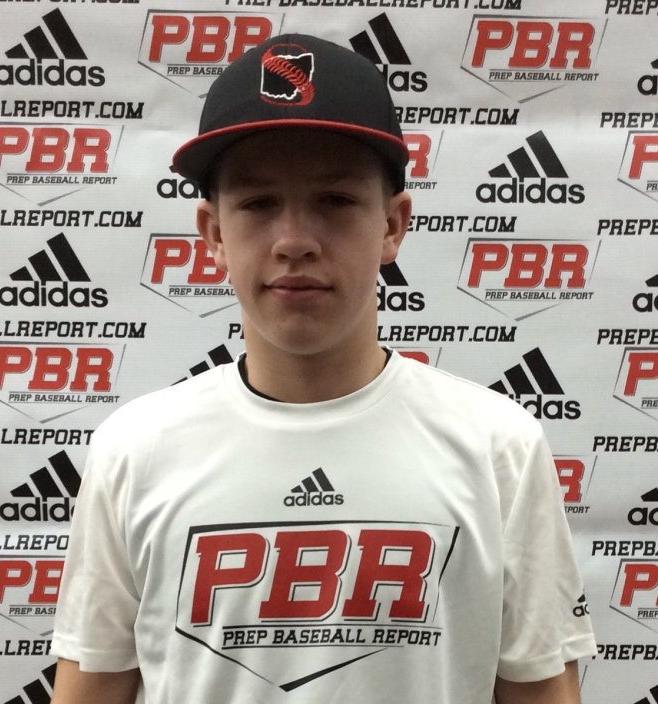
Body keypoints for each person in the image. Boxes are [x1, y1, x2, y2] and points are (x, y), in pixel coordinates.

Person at [50, 33, 596, 704]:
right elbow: (91, 688)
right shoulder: (136, 450)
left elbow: (541, 691)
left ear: (392, 225)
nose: (294, 241)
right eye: (257, 204)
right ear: (213, 233)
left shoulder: (497, 446)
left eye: (335, 201)